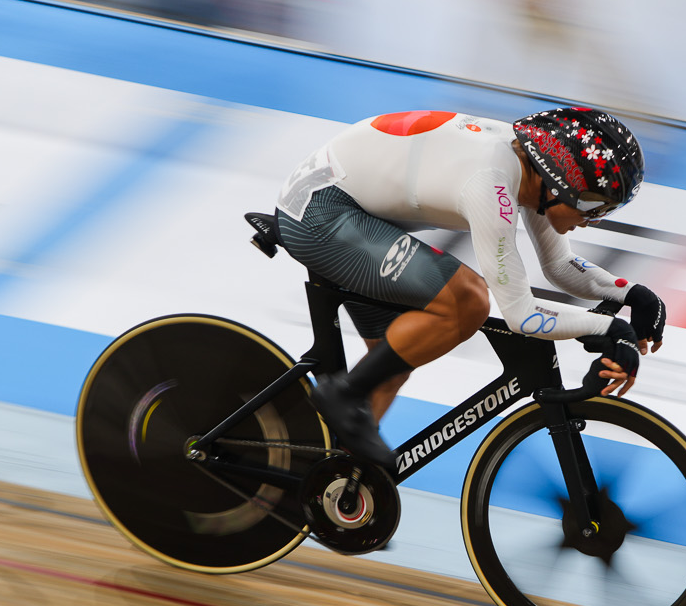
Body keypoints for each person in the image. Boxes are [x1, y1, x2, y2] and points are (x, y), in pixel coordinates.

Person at [274, 107, 664, 467]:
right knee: (467, 300)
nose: (595, 219)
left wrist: (631, 296)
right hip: (320, 213)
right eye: (595, 205)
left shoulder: (530, 171)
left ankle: (331, 482)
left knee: (392, 364)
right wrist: (610, 328)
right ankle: (341, 394)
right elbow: (522, 315)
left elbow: (559, 266)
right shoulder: (490, 184)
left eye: (608, 210)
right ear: (558, 181)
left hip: (356, 207)